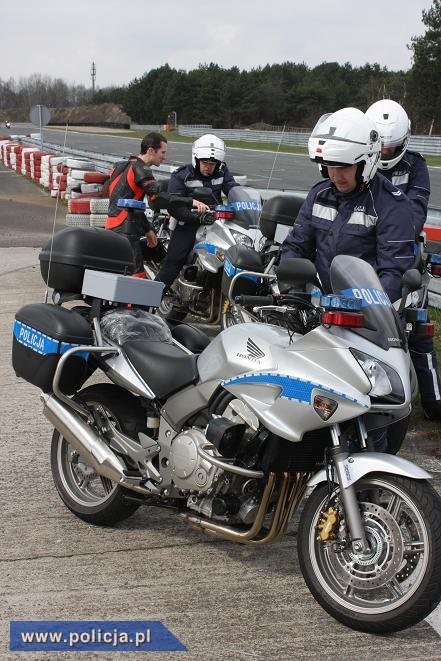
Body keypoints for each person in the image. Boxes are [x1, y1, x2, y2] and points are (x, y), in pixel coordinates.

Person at [280, 107, 416, 451]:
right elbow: (295, 246)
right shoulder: (319, 194)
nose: (335, 174)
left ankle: (368, 484)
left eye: (344, 167)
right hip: (320, 316)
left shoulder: (391, 206)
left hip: (368, 323)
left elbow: (393, 273)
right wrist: (296, 288)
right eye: (329, 166)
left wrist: (356, 309)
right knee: (301, 397)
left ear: (366, 161)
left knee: (367, 412)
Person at [366, 99, 441, 421]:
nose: (384, 153)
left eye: (391, 147)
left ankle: (434, 401)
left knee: (418, 327)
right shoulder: (356, 164)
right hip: (364, 257)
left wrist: (379, 222)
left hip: (405, 255)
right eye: (380, 146)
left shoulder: (415, 166)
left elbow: (414, 214)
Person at [105, 131, 208, 278]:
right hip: (127, 231)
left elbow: (131, 204)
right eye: (163, 152)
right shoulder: (142, 169)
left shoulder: (119, 166)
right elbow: (159, 198)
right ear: (151, 151)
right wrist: (190, 201)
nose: (164, 157)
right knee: (137, 276)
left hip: (111, 226)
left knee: (152, 257)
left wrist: (148, 230)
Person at [155, 133, 240, 290]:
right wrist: (196, 217)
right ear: (196, 159)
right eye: (205, 162)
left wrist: (245, 198)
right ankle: (147, 304)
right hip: (187, 224)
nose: (208, 166)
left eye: (212, 164)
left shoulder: (222, 172)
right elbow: (175, 206)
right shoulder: (181, 175)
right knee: (173, 264)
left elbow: (233, 188)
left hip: (216, 221)